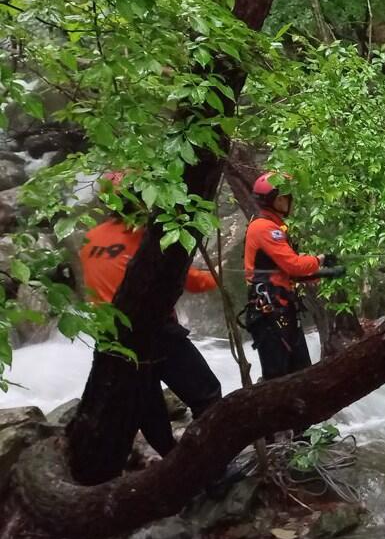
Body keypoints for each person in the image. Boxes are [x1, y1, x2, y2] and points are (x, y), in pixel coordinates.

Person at [80, 171, 223, 457]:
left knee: (151, 412)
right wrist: (215, 277)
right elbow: (188, 280)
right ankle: (209, 468)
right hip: (156, 333)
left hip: (111, 340)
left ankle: (173, 467)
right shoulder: (147, 234)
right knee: (207, 394)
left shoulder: (90, 238)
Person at [243, 171, 328, 381]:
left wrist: (317, 273)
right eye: (288, 196)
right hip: (269, 313)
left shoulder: (272, 226)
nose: (291, 201)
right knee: (278, 377)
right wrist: (318, 260)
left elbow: (284, 270)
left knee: (300, 374)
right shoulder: (264, 228)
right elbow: (293, 264)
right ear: (278, 199)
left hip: (280, 310)